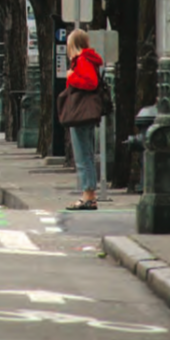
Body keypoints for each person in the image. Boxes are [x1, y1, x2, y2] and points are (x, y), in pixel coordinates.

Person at [64, 29, 104, 211]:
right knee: (86, 153)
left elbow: (91, 82)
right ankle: (89, 194)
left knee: (82, 155)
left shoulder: (81, 60)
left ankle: (88, 195)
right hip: (86, 112)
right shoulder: (88, 59)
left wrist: (72, 77)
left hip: (81, 112)